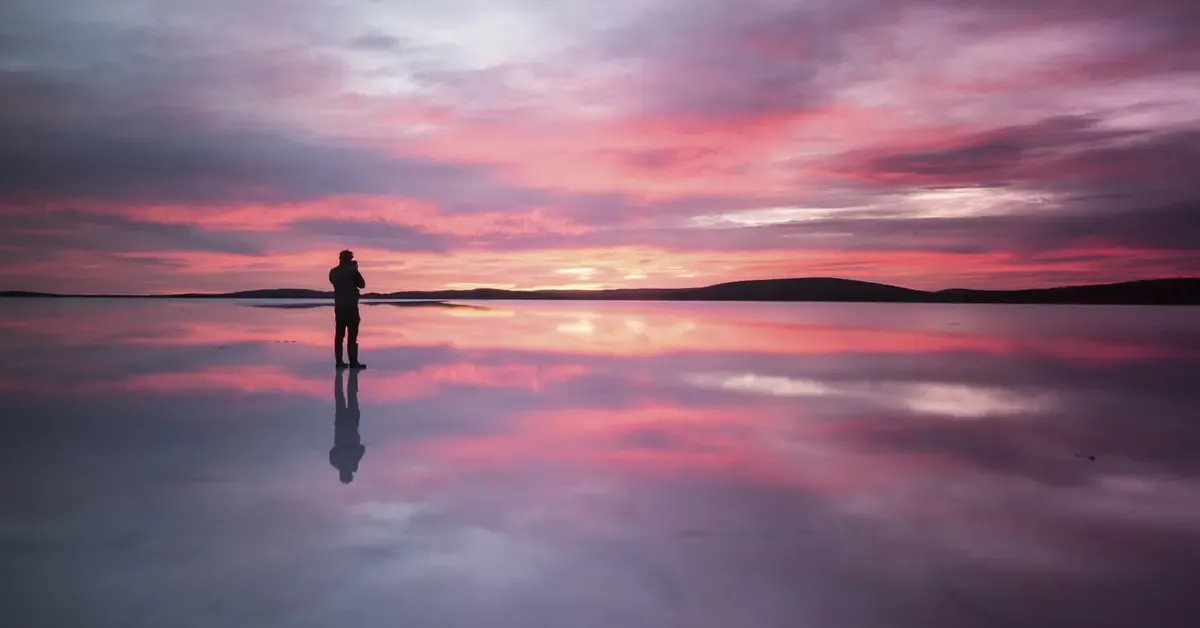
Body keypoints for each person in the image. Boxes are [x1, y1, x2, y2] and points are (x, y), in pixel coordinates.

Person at [329, 249, 367, 369]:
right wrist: (355, 269)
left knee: (339, 336)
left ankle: (339, 362)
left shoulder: (333, 272)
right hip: (351, 307)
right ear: (349, 259)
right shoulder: (352, 271)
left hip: (339, 307)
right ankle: (353, 362)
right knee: (352, 337)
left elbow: (334, 281)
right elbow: (362, 284)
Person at [330, 369, 365, 484]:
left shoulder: (353, 461)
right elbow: (332, 451)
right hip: (340, 426)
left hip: (350, 425)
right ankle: (340, 374)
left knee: (350, 395)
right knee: (340, 397)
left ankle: (352, 373)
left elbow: (362, 449)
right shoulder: (335, 462)